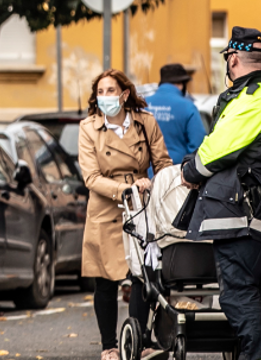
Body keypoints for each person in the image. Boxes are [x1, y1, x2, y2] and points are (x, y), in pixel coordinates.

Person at [181, 26, 261, 360]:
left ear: (234, 59)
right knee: (251, 293)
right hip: (257, 206)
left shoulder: (253, 98)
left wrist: (190, 170)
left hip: (244, 210)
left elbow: (218, 149)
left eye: (228, 58)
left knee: (238, 296)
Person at [78, 69, 172, 360]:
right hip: (106, 208)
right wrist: (125, 188)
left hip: (141, 207)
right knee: (105, 278)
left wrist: (158, 185)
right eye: (100, 92)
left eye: (110, 90)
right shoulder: (88, 128)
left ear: (125, 94)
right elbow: (91, 177)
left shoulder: (145, 123)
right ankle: (109, 346)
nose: (105, 97)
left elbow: (164, 164)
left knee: (143, 275)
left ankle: (141, 340)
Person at [145, 63, 206, 164]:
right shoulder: (188, 106)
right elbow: (198, 145)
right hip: (175, 172)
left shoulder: (143, 104)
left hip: (145, 173)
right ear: (181, 84)